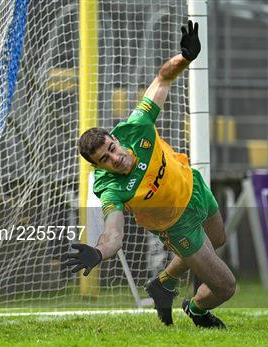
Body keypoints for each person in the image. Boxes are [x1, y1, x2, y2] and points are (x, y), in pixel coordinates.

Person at [66, 20, 236, 329]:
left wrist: (185, 57)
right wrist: (98, 252)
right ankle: (196, 310)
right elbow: (114, 235)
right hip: (175, 224)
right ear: (98, 167)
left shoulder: (136, 126)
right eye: (105, 159)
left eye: (112, 148)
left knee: (218, 239)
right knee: (226, 287)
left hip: (193, 185)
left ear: (115, 138)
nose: (115, 158)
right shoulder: (110, 189)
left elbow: (162, 78)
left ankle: (163, 283)